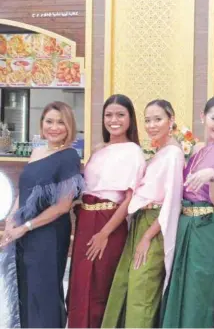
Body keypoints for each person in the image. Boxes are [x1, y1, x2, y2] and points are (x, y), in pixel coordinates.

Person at [161, 96, 214, 328]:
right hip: (186, 228)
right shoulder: (197, 148)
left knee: (200, 293)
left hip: (208, 230)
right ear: (203, 117)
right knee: (180, 288)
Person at [101, 100, 184, 328]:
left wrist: (148, 237)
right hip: (141, 222)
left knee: (142, 290)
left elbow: (172, 202)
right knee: (127, 285)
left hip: (154, 226)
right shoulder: (160, 152)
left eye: (158, 119)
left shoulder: (174, 154)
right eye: (147, 120)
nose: (152, 125)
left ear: (171, 119)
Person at [0, 101, 84, 328]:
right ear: (41, 123)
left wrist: (25, 226)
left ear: (69, 127)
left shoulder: (69, 157)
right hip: (23, 233)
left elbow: (62, 206)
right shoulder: (37, 151)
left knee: (43, 292)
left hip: (48, 233)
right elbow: (23, 190)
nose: (54, 127)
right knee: (25, 288)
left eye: (60, 122)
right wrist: (10, 220)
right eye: (49, 121)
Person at [67, 94, 146, 328]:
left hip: (109, 222)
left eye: (120, 115)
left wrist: (104, 233)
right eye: (109, 115)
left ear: (130, 119)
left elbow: (129, 200)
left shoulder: (134, 152)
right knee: (80, 284)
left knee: (101, 285)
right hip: (85, 220)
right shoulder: (99, 149)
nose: (114, 120)